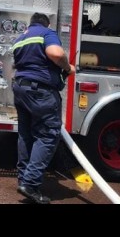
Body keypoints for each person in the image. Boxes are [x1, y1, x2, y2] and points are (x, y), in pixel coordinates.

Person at [11, 12, 74, 205]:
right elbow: (56, 53)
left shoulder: (20, 39)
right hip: (40, 92)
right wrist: (68, 68)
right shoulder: (47, 33)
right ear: (47, 24)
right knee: (47, 135)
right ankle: (30, 184)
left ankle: (23, 178)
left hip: (20, 89)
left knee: (26, 135)